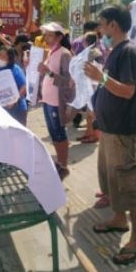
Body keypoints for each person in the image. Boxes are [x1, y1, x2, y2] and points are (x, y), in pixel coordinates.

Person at [84, 5, 136, 265]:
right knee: (112, 180)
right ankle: (119, 220)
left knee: (126, 183)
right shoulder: (115, 51)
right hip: (109, 129)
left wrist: (101, 77)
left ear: (113, 25)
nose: (100, 29)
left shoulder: (129, 52)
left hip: (122, 131)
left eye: (102, 23)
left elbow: (128, 91)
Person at [38, 22, 75, 179]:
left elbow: (69, 81)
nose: (47, 37)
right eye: (46, 35)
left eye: (50, 35)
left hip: (56, 102)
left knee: (59, 134)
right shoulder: (51, 52)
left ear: (60, 37)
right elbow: (46, 74)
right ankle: (60, 164)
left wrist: (49, 73)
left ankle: (63, 165)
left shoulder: (65, 54)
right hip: (47, 100)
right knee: (53, 134)